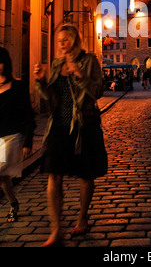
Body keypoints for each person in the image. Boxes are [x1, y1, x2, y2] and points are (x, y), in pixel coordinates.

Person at [34, 24, 107, 247]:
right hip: (59, 126)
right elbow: (50, 99)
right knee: (53, 174)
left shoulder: (89, 60)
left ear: (75, 41)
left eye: (66, 39)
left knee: (85, 175)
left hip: (84, 124)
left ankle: (82, 217)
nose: (62, 44)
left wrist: (80, 74)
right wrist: (40, 81)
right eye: (59, 40)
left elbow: (98, 92)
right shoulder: (56, 64)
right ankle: (57, 230)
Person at [0, 47, 35, 223]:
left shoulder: (18, 86)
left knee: (0, 171)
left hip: (12, 136)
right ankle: (13, 203)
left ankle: (13, 204)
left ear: (6, 64)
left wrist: (28, 141)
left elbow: (28, 115)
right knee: (4, 178)